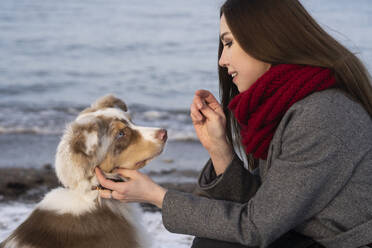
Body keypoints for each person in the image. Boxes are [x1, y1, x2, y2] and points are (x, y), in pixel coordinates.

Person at [95, 0, 372, 247]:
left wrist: (156, 196)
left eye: (228, 43)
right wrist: (219, 148)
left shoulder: (322, 114)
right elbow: (267, 207)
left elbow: (257, 227)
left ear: (267, 38)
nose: (222, 60)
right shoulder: (285, 105)